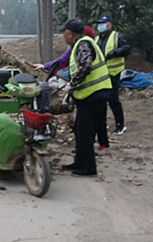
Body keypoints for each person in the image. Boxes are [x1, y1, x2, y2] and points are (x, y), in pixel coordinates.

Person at [58, 18, 112, 176]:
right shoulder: (80, 44)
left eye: (64, 32)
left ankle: (89, 169)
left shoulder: (83, 44)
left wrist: (72, 84)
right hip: (89, 96)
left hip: (93, 96)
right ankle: (79, 162)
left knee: (85, 133)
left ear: (71, 34)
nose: (63, 35)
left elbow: (86, 65)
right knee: (79, 131)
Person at [95, 14, 130, 137]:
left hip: (113, 73)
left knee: (113, 100)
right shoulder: (97, 39)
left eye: (103, 24)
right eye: (99, 24)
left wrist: (115, 52)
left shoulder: (117, 37)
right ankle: (102, 123)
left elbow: (126, 49)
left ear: (110, 24)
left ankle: (120, 124)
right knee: (101, 100)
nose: (101, 26)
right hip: (100, 75)